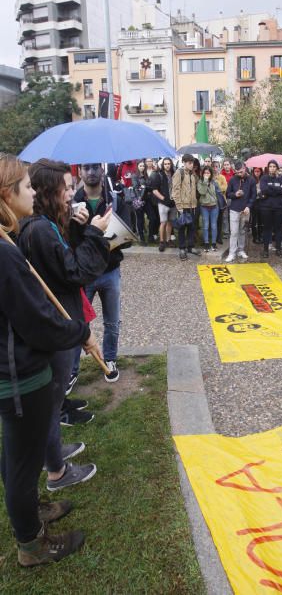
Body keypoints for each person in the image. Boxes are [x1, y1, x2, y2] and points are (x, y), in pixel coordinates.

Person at [0, 153, 99, 566]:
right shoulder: (5, 252)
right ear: (7, 195)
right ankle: (32, 545)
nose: (32, 193)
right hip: (18, 375)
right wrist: (80, 333)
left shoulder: (10, 239)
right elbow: (37, 320)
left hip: (16, 370)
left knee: (15, 456)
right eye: (25, 187)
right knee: (22, 464)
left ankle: (32, 514)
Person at [18, 159, 110, 490]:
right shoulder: (39, 228)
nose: (71, 194)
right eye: (66, 189)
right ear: (47, 192)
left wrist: (76, 227)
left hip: (60, 320)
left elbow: (61, 261)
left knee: (53, 398)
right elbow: (73, 271)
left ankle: (52, 452)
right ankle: (56, 470)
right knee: (53, 399)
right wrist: (97, 234)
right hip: (57, 324)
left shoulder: (46, 224)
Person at [70, 163, 132, 385]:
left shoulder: (115, 201)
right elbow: (72, 243)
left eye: (96, 167)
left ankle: (110, 359)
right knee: (78, 321)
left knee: (112, 322)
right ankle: (72, 369)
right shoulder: (72, 203)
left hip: (110, 271)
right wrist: (88, 228)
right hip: (84, 274)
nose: (91, 172)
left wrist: (105, 234)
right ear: (80, 172)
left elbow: (127, 240)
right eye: (87, 168)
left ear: (102, 170)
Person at [225, 161, 256, 262]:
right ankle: (232, 253)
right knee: (234, 232)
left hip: (245, 210)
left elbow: (253, 196)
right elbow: (228, 194)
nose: (239, 174)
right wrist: (235, 195)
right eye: (237, 172)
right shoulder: (233, 179)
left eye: (241, 172)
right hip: (234, 209)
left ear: (245, 168)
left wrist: (249, 206)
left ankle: (241, 250)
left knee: (242, 231)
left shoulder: (251, 180)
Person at [172, 153, 200, 260]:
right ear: (184, 162)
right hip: (183, 206)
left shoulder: (192, 175)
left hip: (192, 206)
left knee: (191, 227)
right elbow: (175, 191)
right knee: (182, 228)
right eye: (189, 163)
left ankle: (190, 247)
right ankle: (182, 248)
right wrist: (179, 206)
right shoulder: (179, 173)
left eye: (192, 163)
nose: (191, 165)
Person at [259, 160, 282, 258]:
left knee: (278, 228)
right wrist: (277, 189)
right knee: (267, 228)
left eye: (274, 166)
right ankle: (266, 250)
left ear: (277, 168)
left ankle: (278, 249)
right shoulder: (264, 178)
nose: (272, 168)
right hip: (267, 207)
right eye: (270, 166)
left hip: (280, 207)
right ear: (268, 168)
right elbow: (264, 190)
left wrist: (271, 188)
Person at [151, 157, 176, 251]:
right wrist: (164, 199)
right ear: (163, 165)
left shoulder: (174, 174)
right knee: (163, 222)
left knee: (170, 222)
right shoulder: (159, 175)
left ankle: (169, 240)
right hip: (163, 203)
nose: (167, 165)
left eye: (169, 163)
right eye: (165, 164)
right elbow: (154, 190)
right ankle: (162, 241)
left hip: (173, 203)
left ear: (171, 164)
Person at [197, 166, 219, 252]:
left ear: (211, 174)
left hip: (214, 206)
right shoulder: (200, 182)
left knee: (214, 225)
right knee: (205, 225)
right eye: (205, 173)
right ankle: (206, 243)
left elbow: (217, 193)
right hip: (204, 207)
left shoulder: (214, 182)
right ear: (202, 174)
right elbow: (202, 192)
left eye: (208, 173)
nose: (206, 174)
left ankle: (213, 243)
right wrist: (205, 182)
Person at [132, 160, 151, 245]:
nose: (142, 167)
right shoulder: (135, 175)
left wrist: (145, 187)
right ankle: (141, 238)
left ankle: (151, 235)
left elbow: (149, 186)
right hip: (138, 200)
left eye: (143, 166)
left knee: (153, 217)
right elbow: (136, 188)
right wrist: (140, 196)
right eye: (140, 166)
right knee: (140, 220)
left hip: (147, 200)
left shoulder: (146, 175)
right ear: (137, 166)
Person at [213, 159, 227, 244]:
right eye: (213, 166)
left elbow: (224, 188)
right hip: (213, 202)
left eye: (216, 166)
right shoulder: (210, 177)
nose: (215, 168)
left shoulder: (222, 177)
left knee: (220, 220)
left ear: (219, 167)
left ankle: (219, 237)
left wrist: (216, 188)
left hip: (221, 202)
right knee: (213, 220)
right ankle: (213, 236)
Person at [250, 166, 264, 244]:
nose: (257, 173)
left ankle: (260, 235)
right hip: (254, 201)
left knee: (261, 220)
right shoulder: (251, 180)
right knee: (254, 220)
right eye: (255, 171)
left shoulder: (263, 179)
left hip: (261, 201)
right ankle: (255, 236)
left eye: (258, 171)